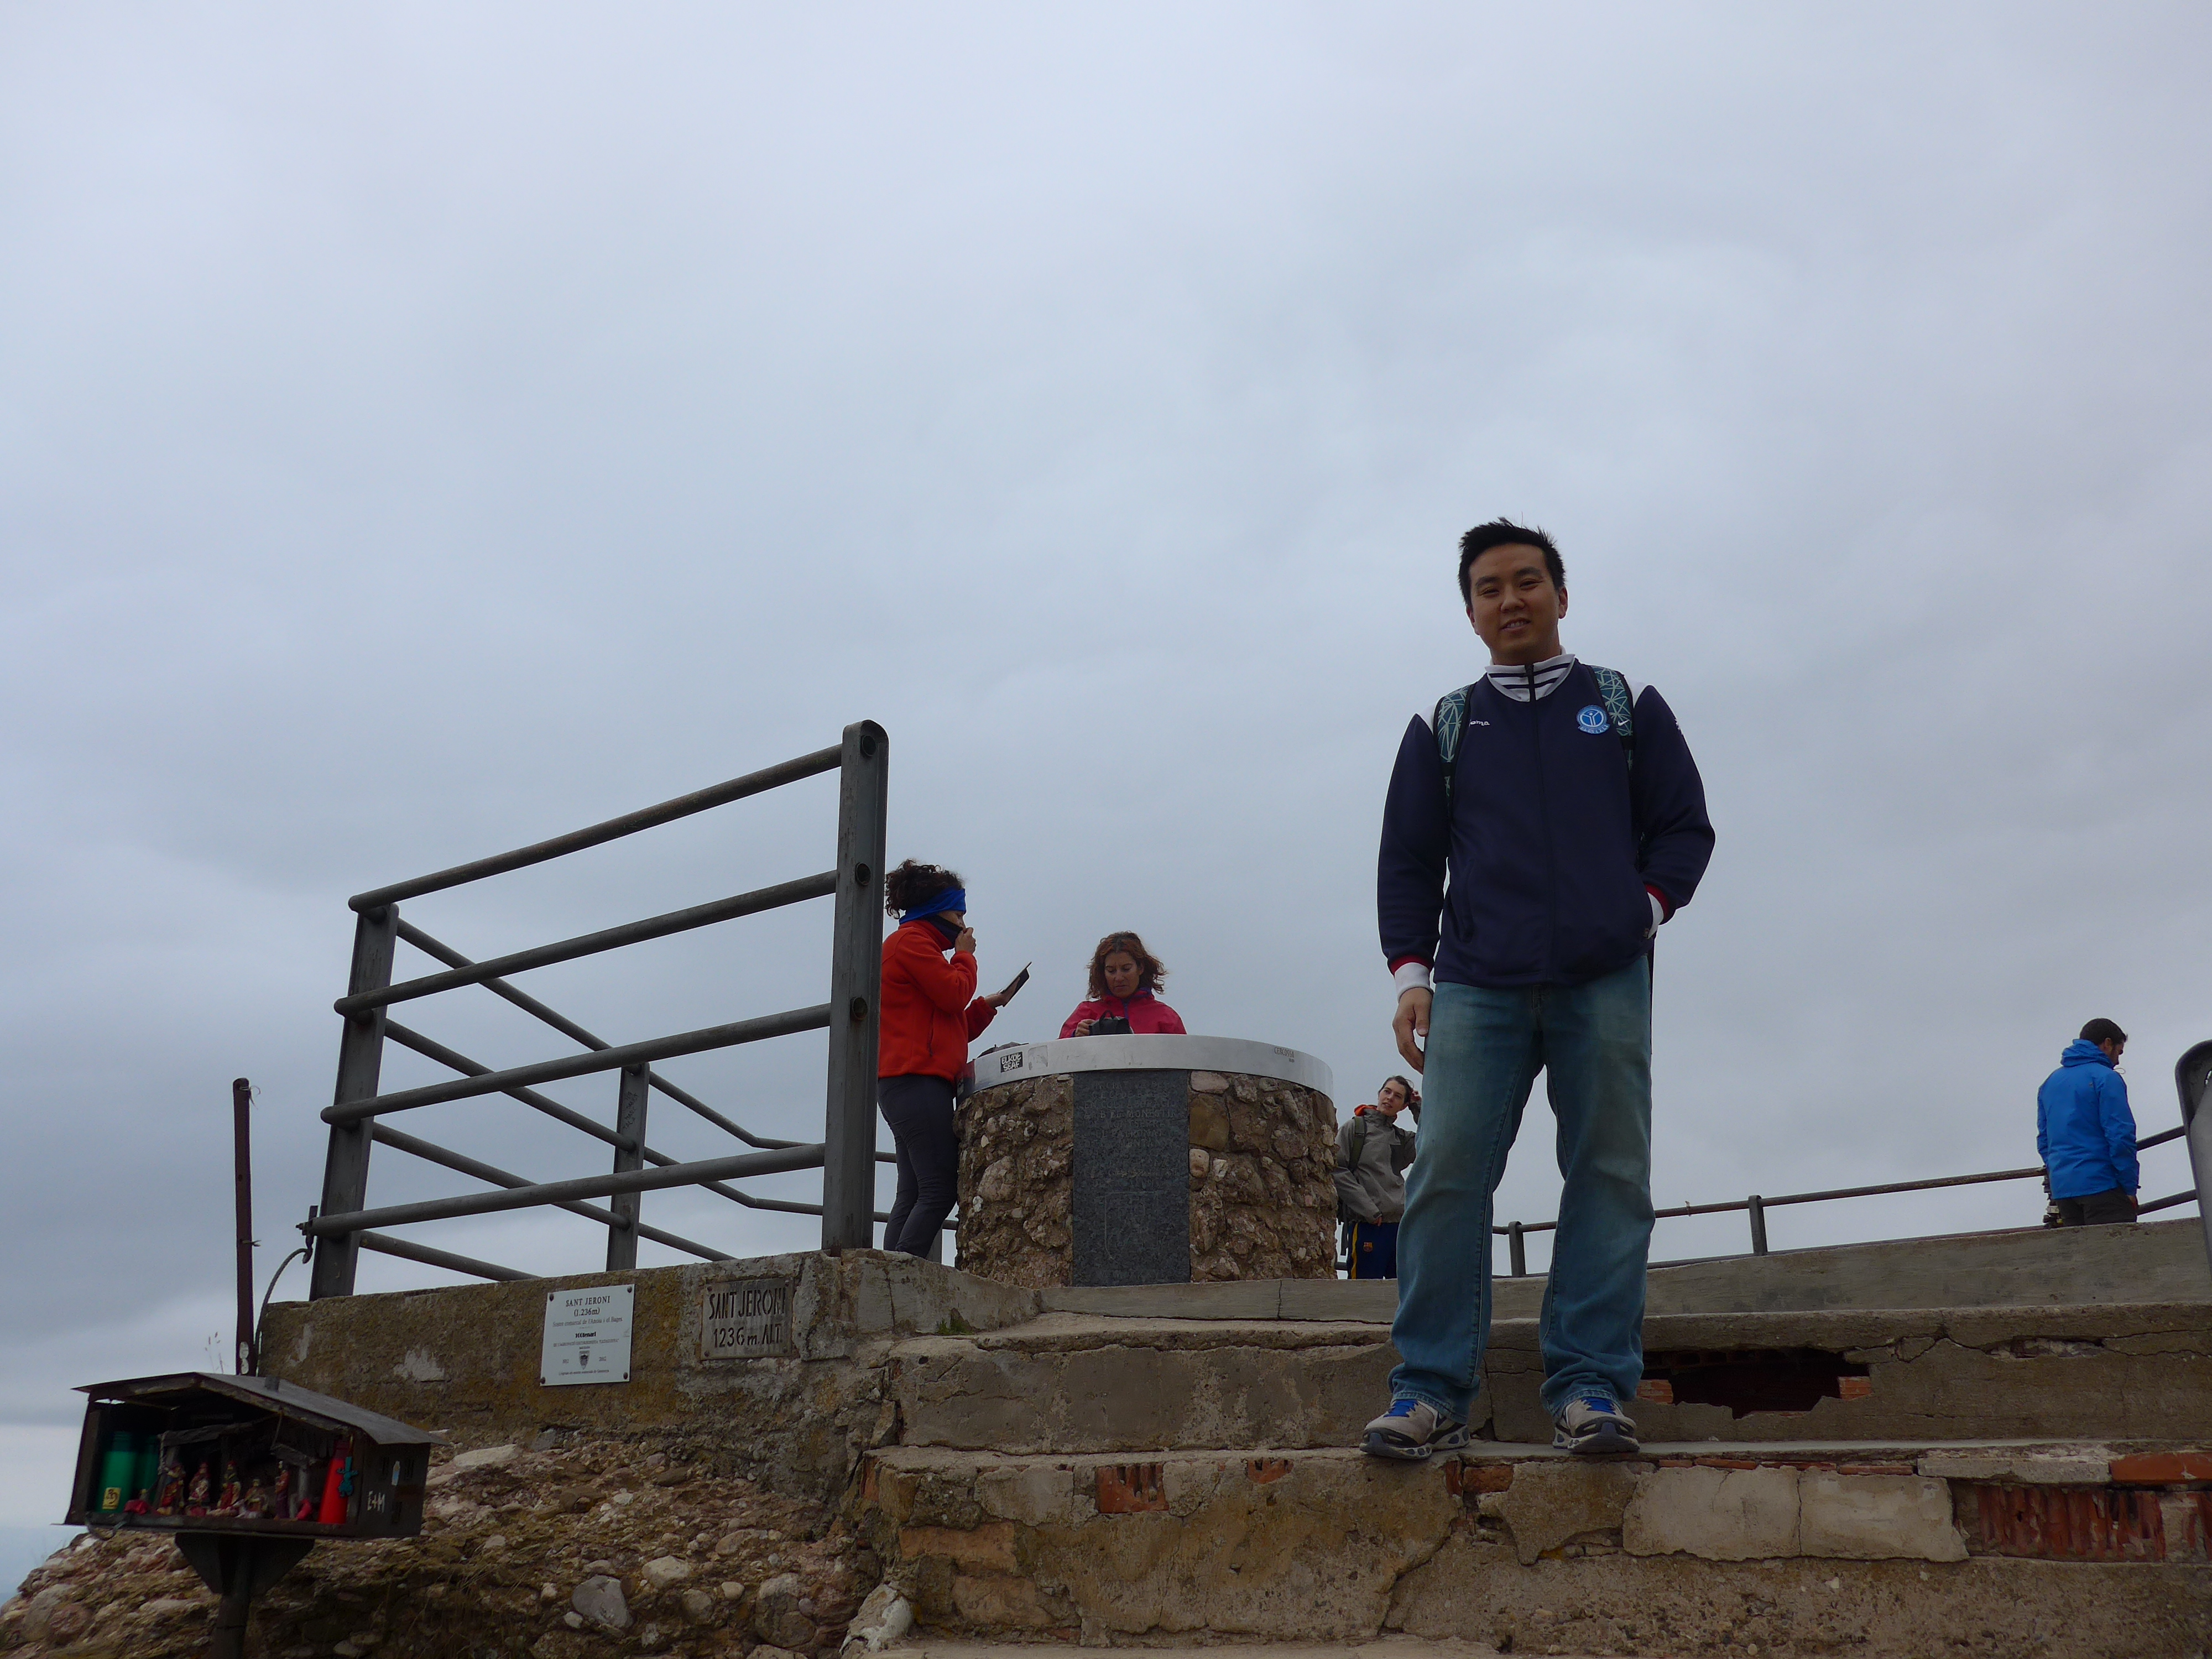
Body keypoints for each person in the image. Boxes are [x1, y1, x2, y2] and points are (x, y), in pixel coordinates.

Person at [1365, 519, 1715, 1461]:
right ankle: (1429, 1391)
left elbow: (1684, 830)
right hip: (1477, 983)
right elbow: (1409, 863)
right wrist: (1412, 977)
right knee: (1444, 1178)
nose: (1509, 600)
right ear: (1471, 610)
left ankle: (1590, 1386)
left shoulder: (1624, 705)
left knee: (1608, 1178)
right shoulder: (1442, 726)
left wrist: (1639, 912)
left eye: (1527, 581)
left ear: (1563, 594)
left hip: (1605, 979)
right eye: (1488, 588)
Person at [877, 859, 1015, 1256]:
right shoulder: (913, 943)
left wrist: (986, 1007)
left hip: (907, 1081)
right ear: (938, 909)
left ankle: (889, 1272)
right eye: (959, 913)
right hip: (916, 1080)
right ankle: (900, 1279)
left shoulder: (914, 946)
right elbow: (955, 994)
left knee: (915, 1190)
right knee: (939, 1188)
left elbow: (950, 1023)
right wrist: (966, 956)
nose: (964, 923)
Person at [2037, 1018, 2139, 1227]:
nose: (2118, 1061)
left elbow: (2044, 1140)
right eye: (2119, 1052)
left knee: (2082, 1257)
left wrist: (2060, 1174)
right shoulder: (2106, 1078)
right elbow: (2120, 1135)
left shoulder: (2050, 1083)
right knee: (2118, 1255)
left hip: (2064, 1191)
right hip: (2102, 1185)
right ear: (2107, 1043)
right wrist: (2128, 1187)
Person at [1335, 1076, 1420, 1279]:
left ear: (1403, 1106)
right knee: (1364, 1296)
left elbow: (1433, 1141)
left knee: (1399, 1297)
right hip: (1368, 1225)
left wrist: (1419, 1109)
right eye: (1387, 1091)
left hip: (1400, 1227)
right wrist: (1370, 1211)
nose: (1390, 1098)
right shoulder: (1354, 1128)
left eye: (1398, 1096)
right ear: (1379, 1093)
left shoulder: (1402, 1138)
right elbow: (1337, 1170)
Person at [1060, 931, 1187, 1037]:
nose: (1119, 978)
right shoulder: (1086, 1012)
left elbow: (1185, 1058)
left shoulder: (1166, 1017)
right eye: (1111, 971)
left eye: (1126, 969)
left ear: (1140, 968)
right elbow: (1058, 1054)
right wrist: (1074, 1035)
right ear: (1102, 973)